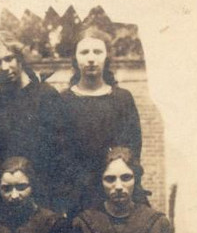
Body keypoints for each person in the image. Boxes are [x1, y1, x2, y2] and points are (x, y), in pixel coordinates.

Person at [0, 31, 72, 216]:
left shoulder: (46, 96)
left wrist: (61, 203)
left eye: (9, 58)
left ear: (19, 58)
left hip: (44, 199)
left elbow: (63, 153)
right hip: (5, 202)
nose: (4, 67)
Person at [59, 27, 143, 216]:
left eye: (97, 52)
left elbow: (132, 149)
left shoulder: (122, 99)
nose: (91, 58)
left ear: (107, 56)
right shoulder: (63, 101)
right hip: (78, 195)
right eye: (84, 52)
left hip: (117, 191)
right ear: (75, 58)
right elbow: (59, 153)